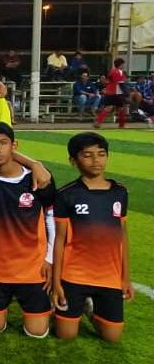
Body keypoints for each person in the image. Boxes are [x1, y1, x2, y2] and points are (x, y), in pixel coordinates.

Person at [0, 122, 55, 338]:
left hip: (33, 269)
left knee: (37, 332)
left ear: (14, 145)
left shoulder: (38, 178)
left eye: (3, 143)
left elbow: (52, 216)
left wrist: (50, 258)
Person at [52, 132, 130, 342]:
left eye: (101, 154)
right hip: (74, 275)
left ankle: (88, 310)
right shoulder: (66, 194)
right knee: (66, 335)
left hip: (108, 277)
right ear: (73, 161)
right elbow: (60, 239)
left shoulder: (120, 192)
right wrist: (56, 282)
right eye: (87, 155)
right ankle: (62, 309)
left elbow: (122, 235)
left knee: (112, 337)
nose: (96, 160)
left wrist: (125, 278)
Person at [94, 58, 128, 128]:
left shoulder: (112, 71)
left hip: (109, 92)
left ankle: (98, 122)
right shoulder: (120, 72)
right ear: (120, 64)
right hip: (117, 93)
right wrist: (126, 93)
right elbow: (121, 84)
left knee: (108, 108)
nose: (123, 66)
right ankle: (122, 125)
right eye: (123, 64)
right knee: (121, 108)